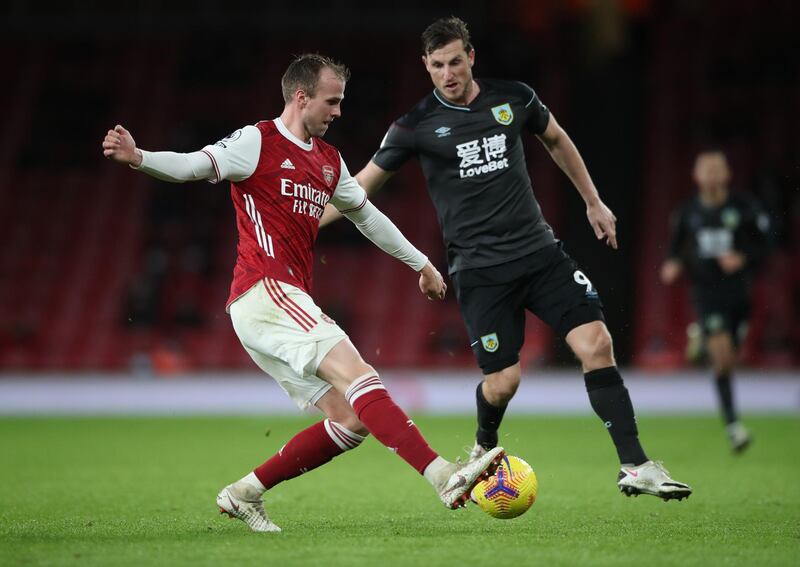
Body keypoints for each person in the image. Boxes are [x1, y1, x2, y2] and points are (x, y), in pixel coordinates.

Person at [102, 53, 505, 533]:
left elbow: (368, 217)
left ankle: (243, 493)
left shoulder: (329, 162)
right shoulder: (258, 141)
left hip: (275, 303)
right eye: (331, 102)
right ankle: (443, 476)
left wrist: (419, 263)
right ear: (301, 97)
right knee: (360, 373)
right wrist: (139, 157)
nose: (338, 112)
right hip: (263, 289)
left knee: (351, 420)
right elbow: (193, 166)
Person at [320, 17, 691, 500]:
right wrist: (308, 219)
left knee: (596, 343)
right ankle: (484, 446)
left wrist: (593, 201)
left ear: (471, 56)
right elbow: (364, 182)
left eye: (456, 62)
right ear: (426, 68)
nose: (448, 73)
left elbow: (556, 138)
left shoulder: (513, 98)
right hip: (480, 272)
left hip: (540, 254)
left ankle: (635, 465)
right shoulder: (413, 126)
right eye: (438, 66)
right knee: (503, 383)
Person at [661, 150, 771, 453]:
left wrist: (743, 257)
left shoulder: (744, 208)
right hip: (706, 293)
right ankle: (734, 426)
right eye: (705, 170)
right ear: (696, 176)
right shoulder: (687, 212)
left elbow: (767, 246)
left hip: (739, 295)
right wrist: (672, 264)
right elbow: (674, 249)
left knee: (728, 360)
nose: (710, 175)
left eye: (716, 169)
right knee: (723, 360)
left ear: (726, 174)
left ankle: (701, 341)